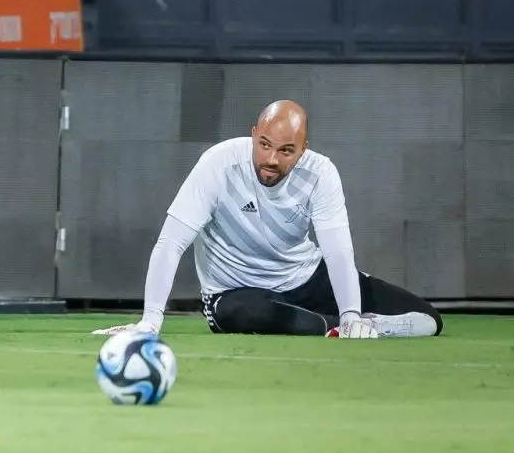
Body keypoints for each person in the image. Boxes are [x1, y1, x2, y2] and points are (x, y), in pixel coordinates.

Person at [94, 100, 443, 340]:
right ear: (253, 135)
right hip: (236, 292)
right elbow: (171, 243)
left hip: (304, 279)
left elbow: (337, 253)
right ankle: (345, 327)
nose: (271, 159)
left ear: (303, 149)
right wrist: (150, 321)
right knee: (245, 315)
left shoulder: (321, 173)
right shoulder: (218, 164)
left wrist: (351, 311)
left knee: (429, 320)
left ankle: (348, 324)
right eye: (264, 144)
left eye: (286, 150)